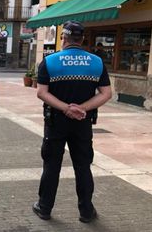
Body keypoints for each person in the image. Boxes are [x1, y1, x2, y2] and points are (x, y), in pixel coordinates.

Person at [33, 20, 112, 223]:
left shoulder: (49, 61)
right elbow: (106, 93)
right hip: (83, 122)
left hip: (55, 122)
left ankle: (44, 208)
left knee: (51, 166)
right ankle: (86, 212)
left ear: (64, 38)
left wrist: (65, 108)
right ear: (82, 39)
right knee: (83, 166)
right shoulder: (96, 62)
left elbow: (42, 92)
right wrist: (82, 108)